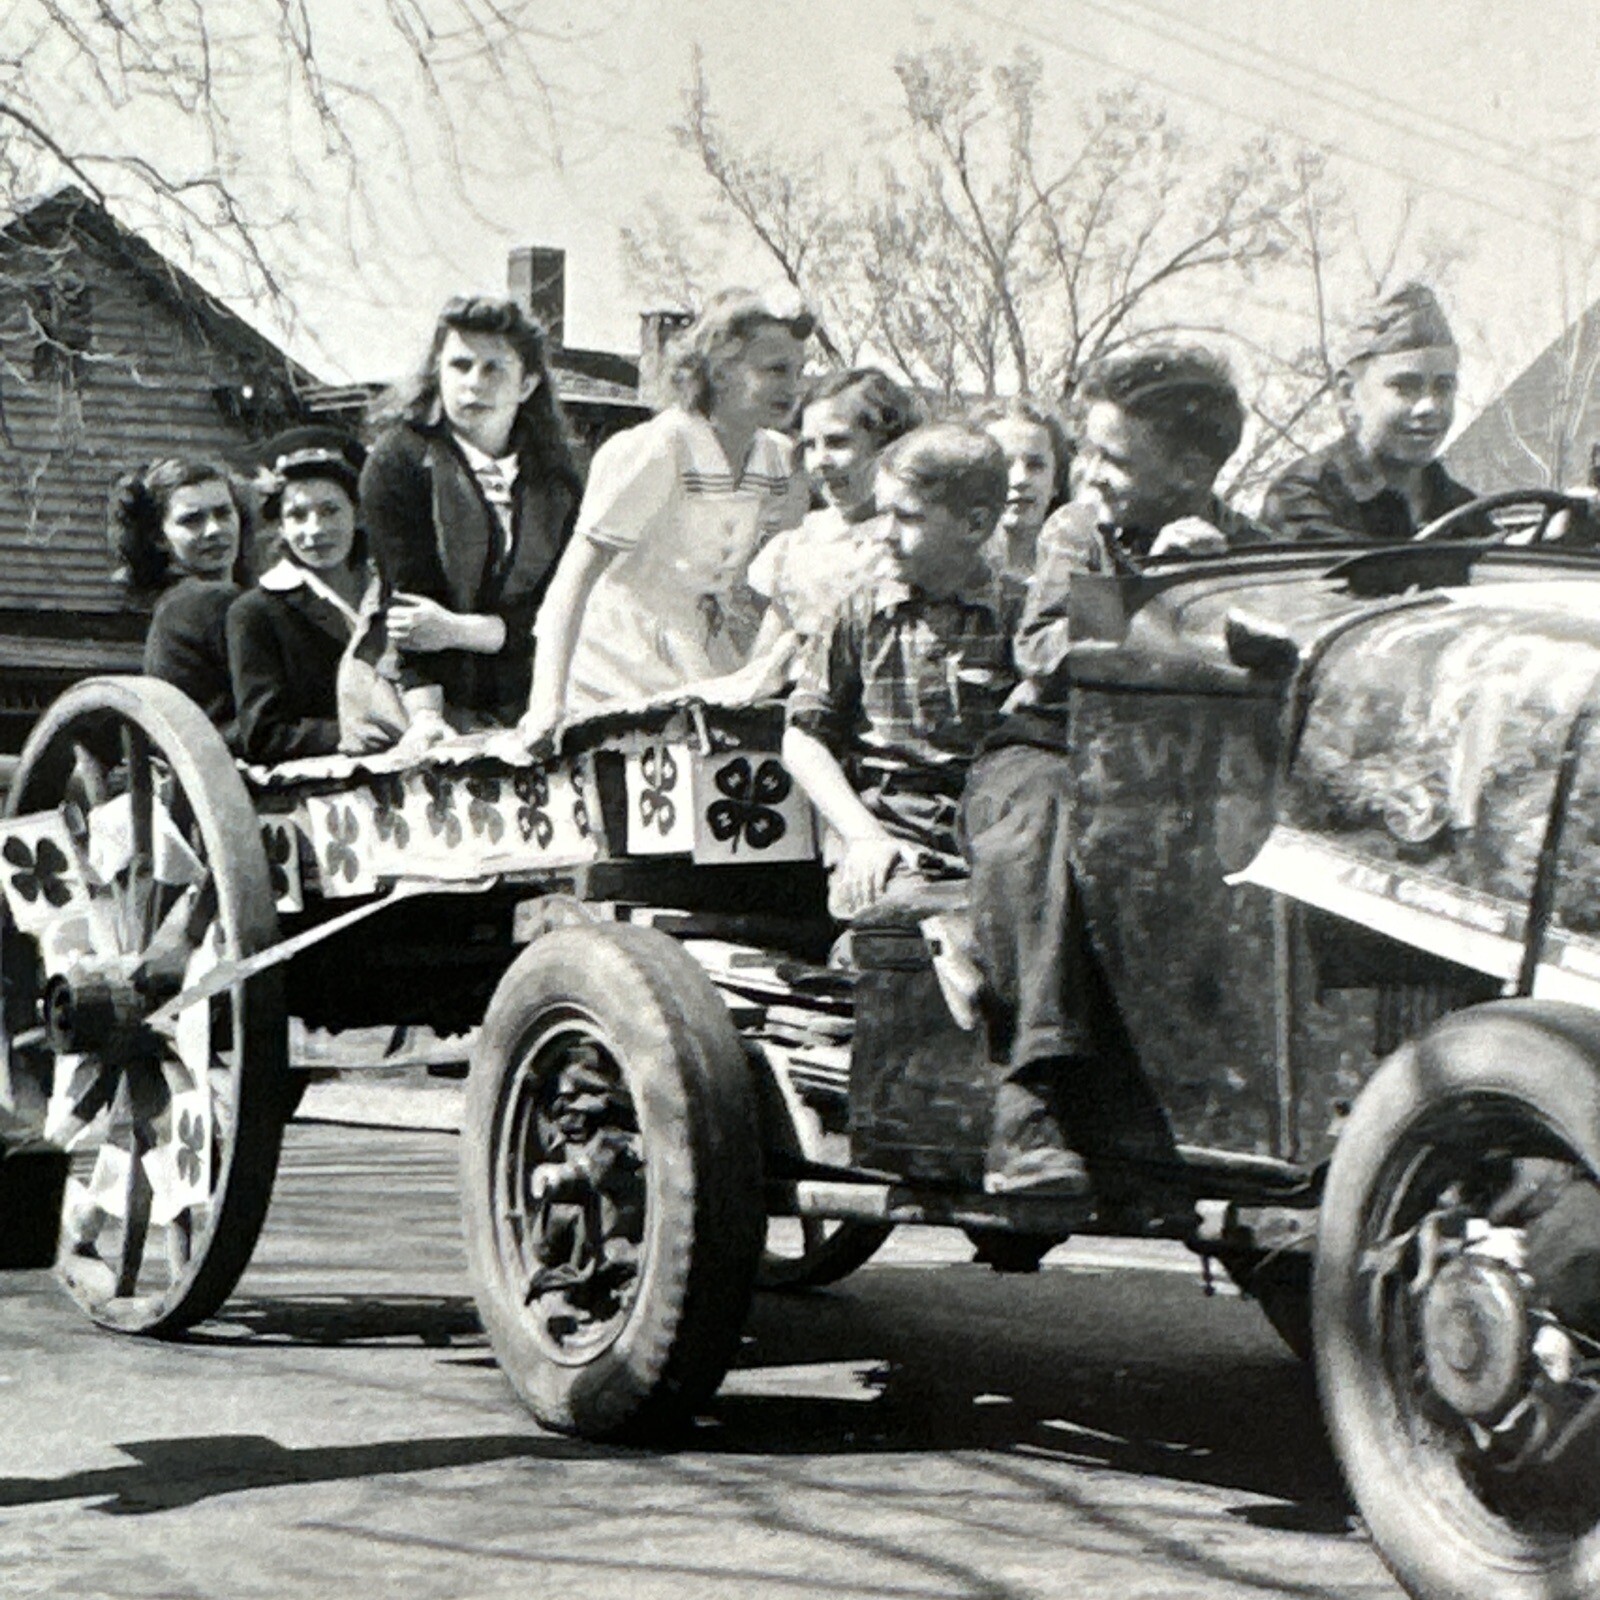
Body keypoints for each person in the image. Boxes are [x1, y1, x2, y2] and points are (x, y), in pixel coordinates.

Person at [963, 344, 1268, 1198]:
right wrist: (1158, 589)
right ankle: (1035, 1100)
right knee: (1048, 823)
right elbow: (1044, 644)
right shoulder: (1077, 530)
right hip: (1048, 749)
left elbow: (1285, 655)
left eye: (1113, 457)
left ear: (1192, 470)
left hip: (1188, 775)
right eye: (1088, 451)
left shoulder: (1247, 542)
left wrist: (1217, 579)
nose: (1089, 473)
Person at [519, 287, 812, 741]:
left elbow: (776, 581)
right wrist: (545, 704)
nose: (793, 386)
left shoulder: (779, 460)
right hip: (617, 659)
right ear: (720, 369)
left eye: (799, 371)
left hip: (703, 650)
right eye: (775, 369)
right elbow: (575, 576)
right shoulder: (659, 448)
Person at [781, 421, 1016, 921]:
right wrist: (862, 834)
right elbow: (802, 736)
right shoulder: (862, 611)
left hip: (1001, 844)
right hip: (891, 842)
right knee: (903, 928)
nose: (884, 533)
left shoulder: (1022, 614)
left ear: (974, 525)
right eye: (881, 512)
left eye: (906, 517)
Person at [360, 295, 583, 748]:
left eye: (493, 368)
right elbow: (412, 610)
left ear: (527, 384)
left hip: (530, 699)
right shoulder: (399, 460)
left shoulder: (558, 479)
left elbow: (560, 609)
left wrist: (463, 631)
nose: (472, 384)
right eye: (459, 366)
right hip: (409, 697)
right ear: (437, 372)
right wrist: (425, 719)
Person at [729, 367, 921, 699]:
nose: (820, 461)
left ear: (888, 445)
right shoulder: (797, 544)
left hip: (884, 702)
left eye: (837, 442)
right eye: (810, 446)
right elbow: (764, 656)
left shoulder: (909, 538)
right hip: (798, 703)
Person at [1262, 282, 1485, 541]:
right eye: (1405, 386)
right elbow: (1356, 574)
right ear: (1348, 394)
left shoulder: (1461, 507)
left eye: (1443, 387)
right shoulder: (1303, 496)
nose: (1430, 406)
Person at [226, 427, 375, 764]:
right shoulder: (257, 612)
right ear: (279, 526)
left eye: (330, 510)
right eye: (296, 515)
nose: (315, 530)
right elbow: (264, 735)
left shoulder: (388, 593)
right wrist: (359, 733)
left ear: (359, 513)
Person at [108, 456, 249, 742]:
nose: (214, 530)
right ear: (159, 537)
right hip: (224, 759)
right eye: (192, 520)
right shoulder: (203, 601)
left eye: (223, 513)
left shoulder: (179, 602)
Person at [969, 396, 1073, 589]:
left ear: (1056, 481)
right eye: (1003, 464)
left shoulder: (1075, 578)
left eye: (1035, 466)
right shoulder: (951, 578)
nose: (1020, 479)